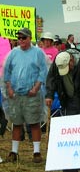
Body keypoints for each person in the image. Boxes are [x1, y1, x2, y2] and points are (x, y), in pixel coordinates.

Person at [3, 28, 47, 163]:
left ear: (30, 38)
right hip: (16, 95)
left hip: (32, 94)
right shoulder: (13, 53)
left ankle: (36, 152)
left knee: (34, 122)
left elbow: (43, 71)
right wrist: (9, 88)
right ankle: (14, 152)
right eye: (19, 38)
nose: (21, 40)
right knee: (16, 123)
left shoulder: (38, 53)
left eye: (24, 38)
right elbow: (7, 72)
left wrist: (36, 88)